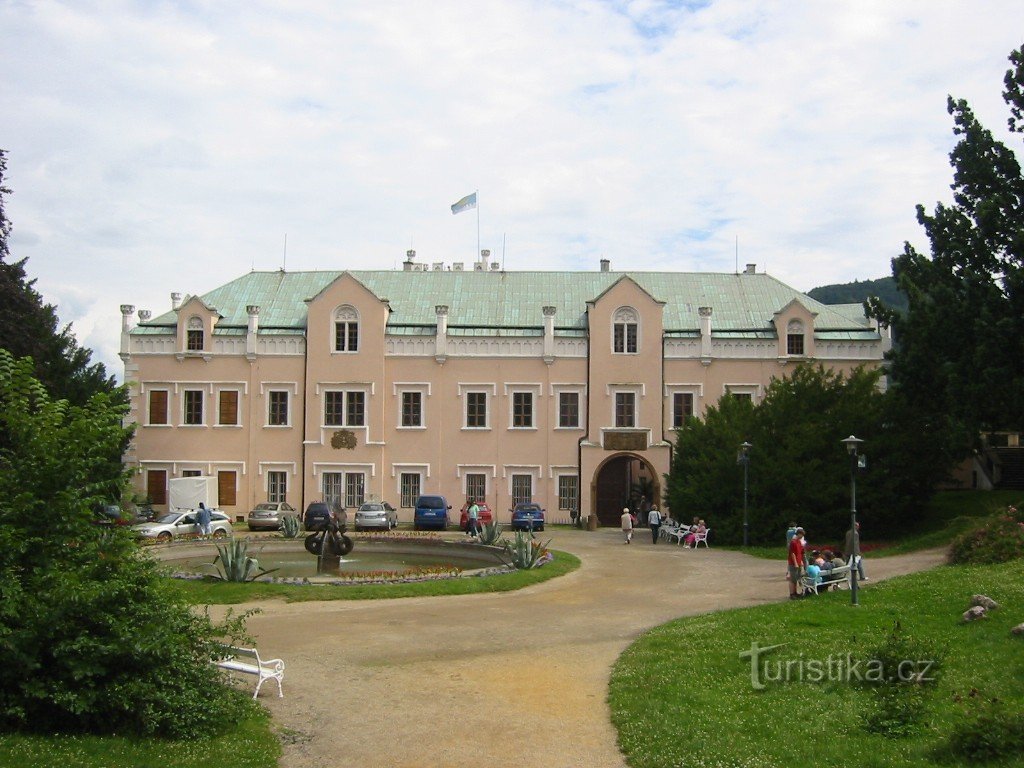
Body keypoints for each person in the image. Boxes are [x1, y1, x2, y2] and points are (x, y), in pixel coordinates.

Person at [787, 526, 806, 599]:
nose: (802, 537)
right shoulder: (793, 542)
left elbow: (800, 552)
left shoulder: (799, 542)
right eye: (801, 535)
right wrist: (795, 563)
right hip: (793, 563)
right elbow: (792, 553)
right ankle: (792, 593)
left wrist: (801, 561)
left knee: (797, 578)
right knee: (793, 579)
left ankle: (795, 592)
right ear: (798, 534)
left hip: (798, 562)